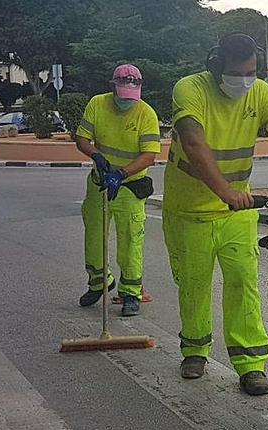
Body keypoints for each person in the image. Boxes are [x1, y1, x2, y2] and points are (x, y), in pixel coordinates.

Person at [163, 33, 268, 396]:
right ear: (216, 67)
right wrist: (226, 193)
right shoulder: (190, 90)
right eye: (237, 73)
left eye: (251, 72)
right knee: (194, 284)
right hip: (190, 210)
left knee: (243, 284)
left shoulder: (260, 92)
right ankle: (195, 350)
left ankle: (250, 363)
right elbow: (194, 143)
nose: (245, 80)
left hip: (237, 212)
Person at [75, 64, 161, 317]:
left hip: (130, 186)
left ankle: (130, 293)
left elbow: (149, 156)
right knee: (94, 235)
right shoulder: (97, 104)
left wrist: (121, 174)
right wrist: (96, 155)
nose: (127, 101)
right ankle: (99, 282)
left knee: (130, 241)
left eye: (131, 95)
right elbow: (82, 139)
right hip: (99, 183)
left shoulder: (146, 114)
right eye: (122, 93)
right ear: (113, 86)